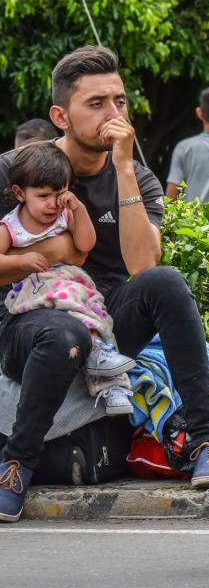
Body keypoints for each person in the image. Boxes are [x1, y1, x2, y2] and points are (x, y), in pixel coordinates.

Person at [0, 45, 209, 524]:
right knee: (63, 333)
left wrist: (124, 169)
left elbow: (143, 264)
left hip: (105, 319)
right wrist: (35, 259)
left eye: (120, 101)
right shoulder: (14, 172)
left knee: (166, 283)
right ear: (60, 116)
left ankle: (208, 440)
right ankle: (15, 466)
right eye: (97, 103)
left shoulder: (139, 178)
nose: (114, 114)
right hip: (28, 319)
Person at [0, 142, 135, 416]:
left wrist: (78, 211)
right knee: (73, 311)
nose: (52, 203)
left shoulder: (64, 214)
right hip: (33, 289)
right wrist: (20, 261)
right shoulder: (10, 226)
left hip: (71, 285)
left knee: (92, 311)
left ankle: (112, 383)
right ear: (19, 193)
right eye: (43, 195)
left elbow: (85, 244)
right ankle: (99, 356)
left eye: (59, 193)